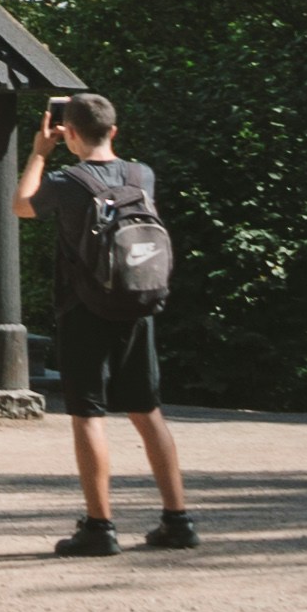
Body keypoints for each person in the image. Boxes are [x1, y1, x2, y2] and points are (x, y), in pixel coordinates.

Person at [20, 93, 196, 554]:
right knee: (147, 410)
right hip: (138, 305)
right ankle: (177, 520)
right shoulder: (143, 176)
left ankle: (100, 527)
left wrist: (40, 152)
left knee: (88, 414)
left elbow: (21, 204)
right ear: (114, 131)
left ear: (68, 133)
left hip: (84, 309)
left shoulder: (67, 180)